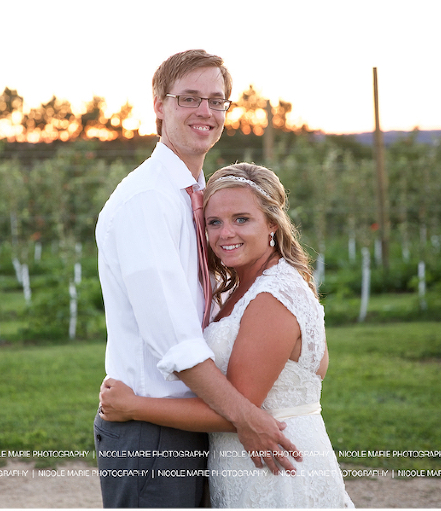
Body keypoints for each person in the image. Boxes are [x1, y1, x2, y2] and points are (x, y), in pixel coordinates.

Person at [94, 51, 300, 508]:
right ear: (159, 106)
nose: (206, 112)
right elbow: (175, 343)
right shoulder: (146, 202)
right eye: (189, 98)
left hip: (199, 419)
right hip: (152, 434)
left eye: (217, 101)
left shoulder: (201, 199)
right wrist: (247, 416)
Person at [99, 163, 355, 508]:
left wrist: (134, 407)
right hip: (246, 465)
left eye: (241, 219)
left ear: (272, 224)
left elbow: (235, 412)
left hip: (275, 470)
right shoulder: (236, 288)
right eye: (214, 222)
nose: (225, 234)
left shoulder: (273, 297)